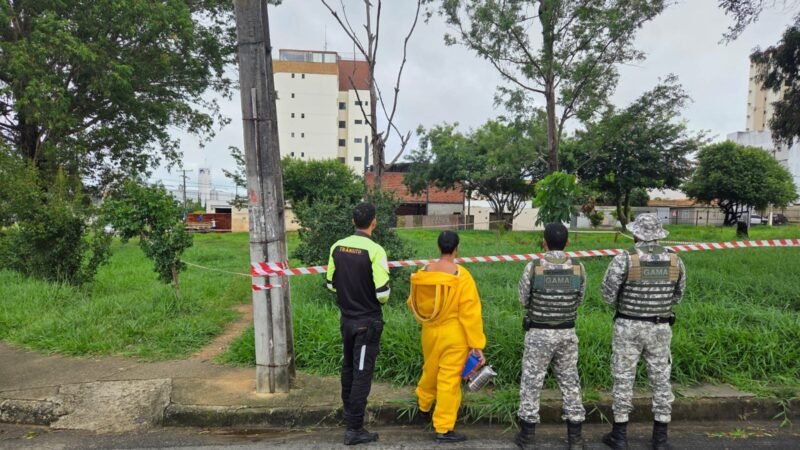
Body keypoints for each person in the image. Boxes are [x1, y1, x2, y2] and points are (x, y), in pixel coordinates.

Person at [600, 214, 686, 450]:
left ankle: (619, 435)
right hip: (660, 327)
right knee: (660, 380)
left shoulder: (625, 259)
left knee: (624, 378)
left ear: (636, 234)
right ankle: (660, 438)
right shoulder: (675, 260)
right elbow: (678, 295)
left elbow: (607, 295)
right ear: (658, 234)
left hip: (628, 326)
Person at [407, 231, 486, 443]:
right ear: (457, 248)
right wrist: (476, 345)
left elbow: (412, 302)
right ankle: (443, 428)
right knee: (448, 381)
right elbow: (470, 313)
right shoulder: (461, 275)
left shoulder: (423, 272)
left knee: (430, 369)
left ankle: (423, 406)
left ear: (438, 246)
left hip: (429, 332)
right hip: (455, 335)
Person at [515, 223, 586, 450]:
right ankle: (575, 438)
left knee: (532, 383)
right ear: (567, 243)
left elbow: (523, 299)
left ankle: (527, 438)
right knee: (570, 382)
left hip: (539, 333)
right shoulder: (578, 267)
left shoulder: (533, 267)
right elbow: (580, 298)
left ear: (544, 242)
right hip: (567, 332)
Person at [326, 203, 391, 446]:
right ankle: (354, 429)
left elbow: (331, 284)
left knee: (349, 369)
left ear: (353, 221)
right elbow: (382, 292)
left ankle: (349, 418)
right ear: (374, 221)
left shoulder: (337, 246)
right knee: (362, 373)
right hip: (368, 321)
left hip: (347, 320)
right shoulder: (375, 250)